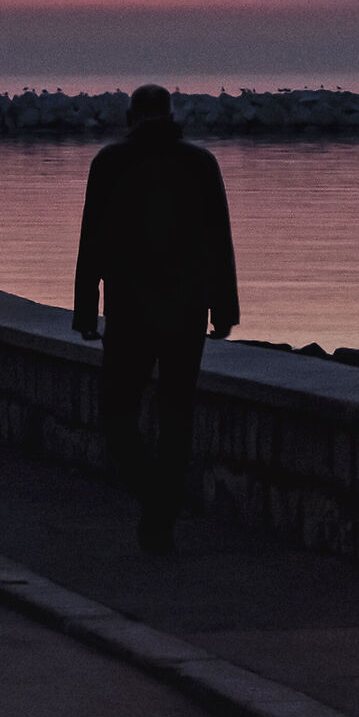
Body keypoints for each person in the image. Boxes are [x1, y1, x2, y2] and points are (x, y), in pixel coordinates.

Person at [73, 83, 239, 556]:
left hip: (128, 311)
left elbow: (93, 241)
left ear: (130, 117)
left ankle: (156, 504)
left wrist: (86, 307)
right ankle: (161, 510)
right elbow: (218, 241)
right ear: (170, 114)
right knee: (176, 417)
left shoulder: (109, 163)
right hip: (187, 310)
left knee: (117, 417)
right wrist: (225, 308)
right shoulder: (200, 163)